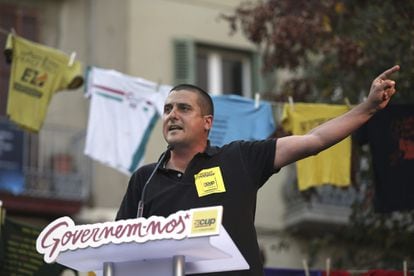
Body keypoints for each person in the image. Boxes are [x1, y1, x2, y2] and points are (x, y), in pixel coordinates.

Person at [116, 65, 400, 275]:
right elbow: (119, 250)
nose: (172, 115)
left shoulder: (239, 157)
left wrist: (368, 107)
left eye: (183, 108)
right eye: (167, 110)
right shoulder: (145, 178)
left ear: (207, 122)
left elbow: (314, 140)